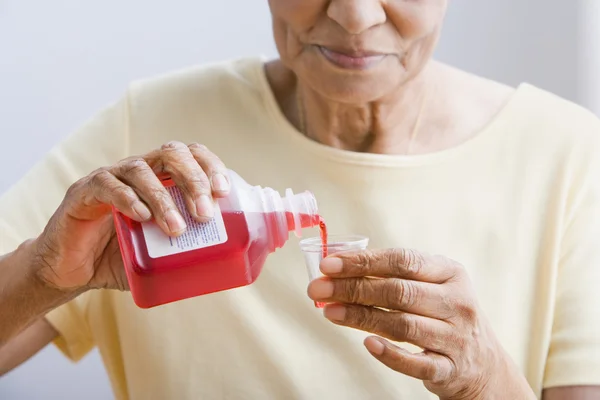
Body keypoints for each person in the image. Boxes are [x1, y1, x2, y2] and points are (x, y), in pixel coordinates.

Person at [0, 1, 599, 398]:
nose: (355, 15)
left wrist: (487, 380)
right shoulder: (152, 136)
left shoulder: (568, 158)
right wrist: (45, 276)